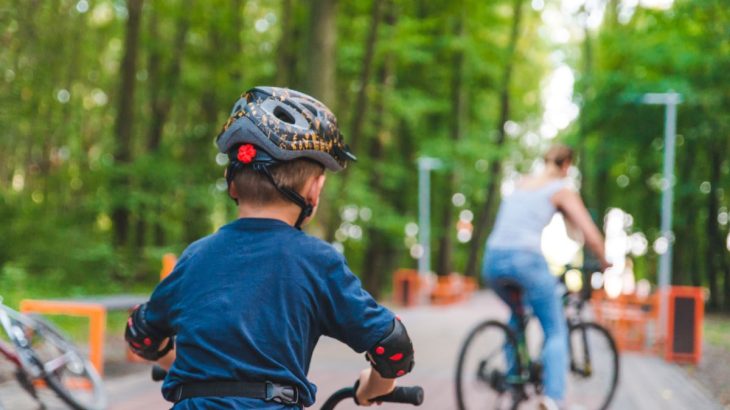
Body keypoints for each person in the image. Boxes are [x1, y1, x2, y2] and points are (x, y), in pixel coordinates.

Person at [125, 87, 415, 409]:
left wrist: (180, 367)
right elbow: (393, 347)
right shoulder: (318, 263)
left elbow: (141, 334)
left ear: (231, 182)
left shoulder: (195, 257)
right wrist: (373, 387)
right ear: (314, 191)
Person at [482, 144, 608, 410]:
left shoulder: (522, 183)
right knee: (555, 329)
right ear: (566, 165)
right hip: (525, 259)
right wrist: (605, 260)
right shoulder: (561, 189)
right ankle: (552, 399)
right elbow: (589, 232)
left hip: (492, 260)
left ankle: (515, 379)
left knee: (517, 314)